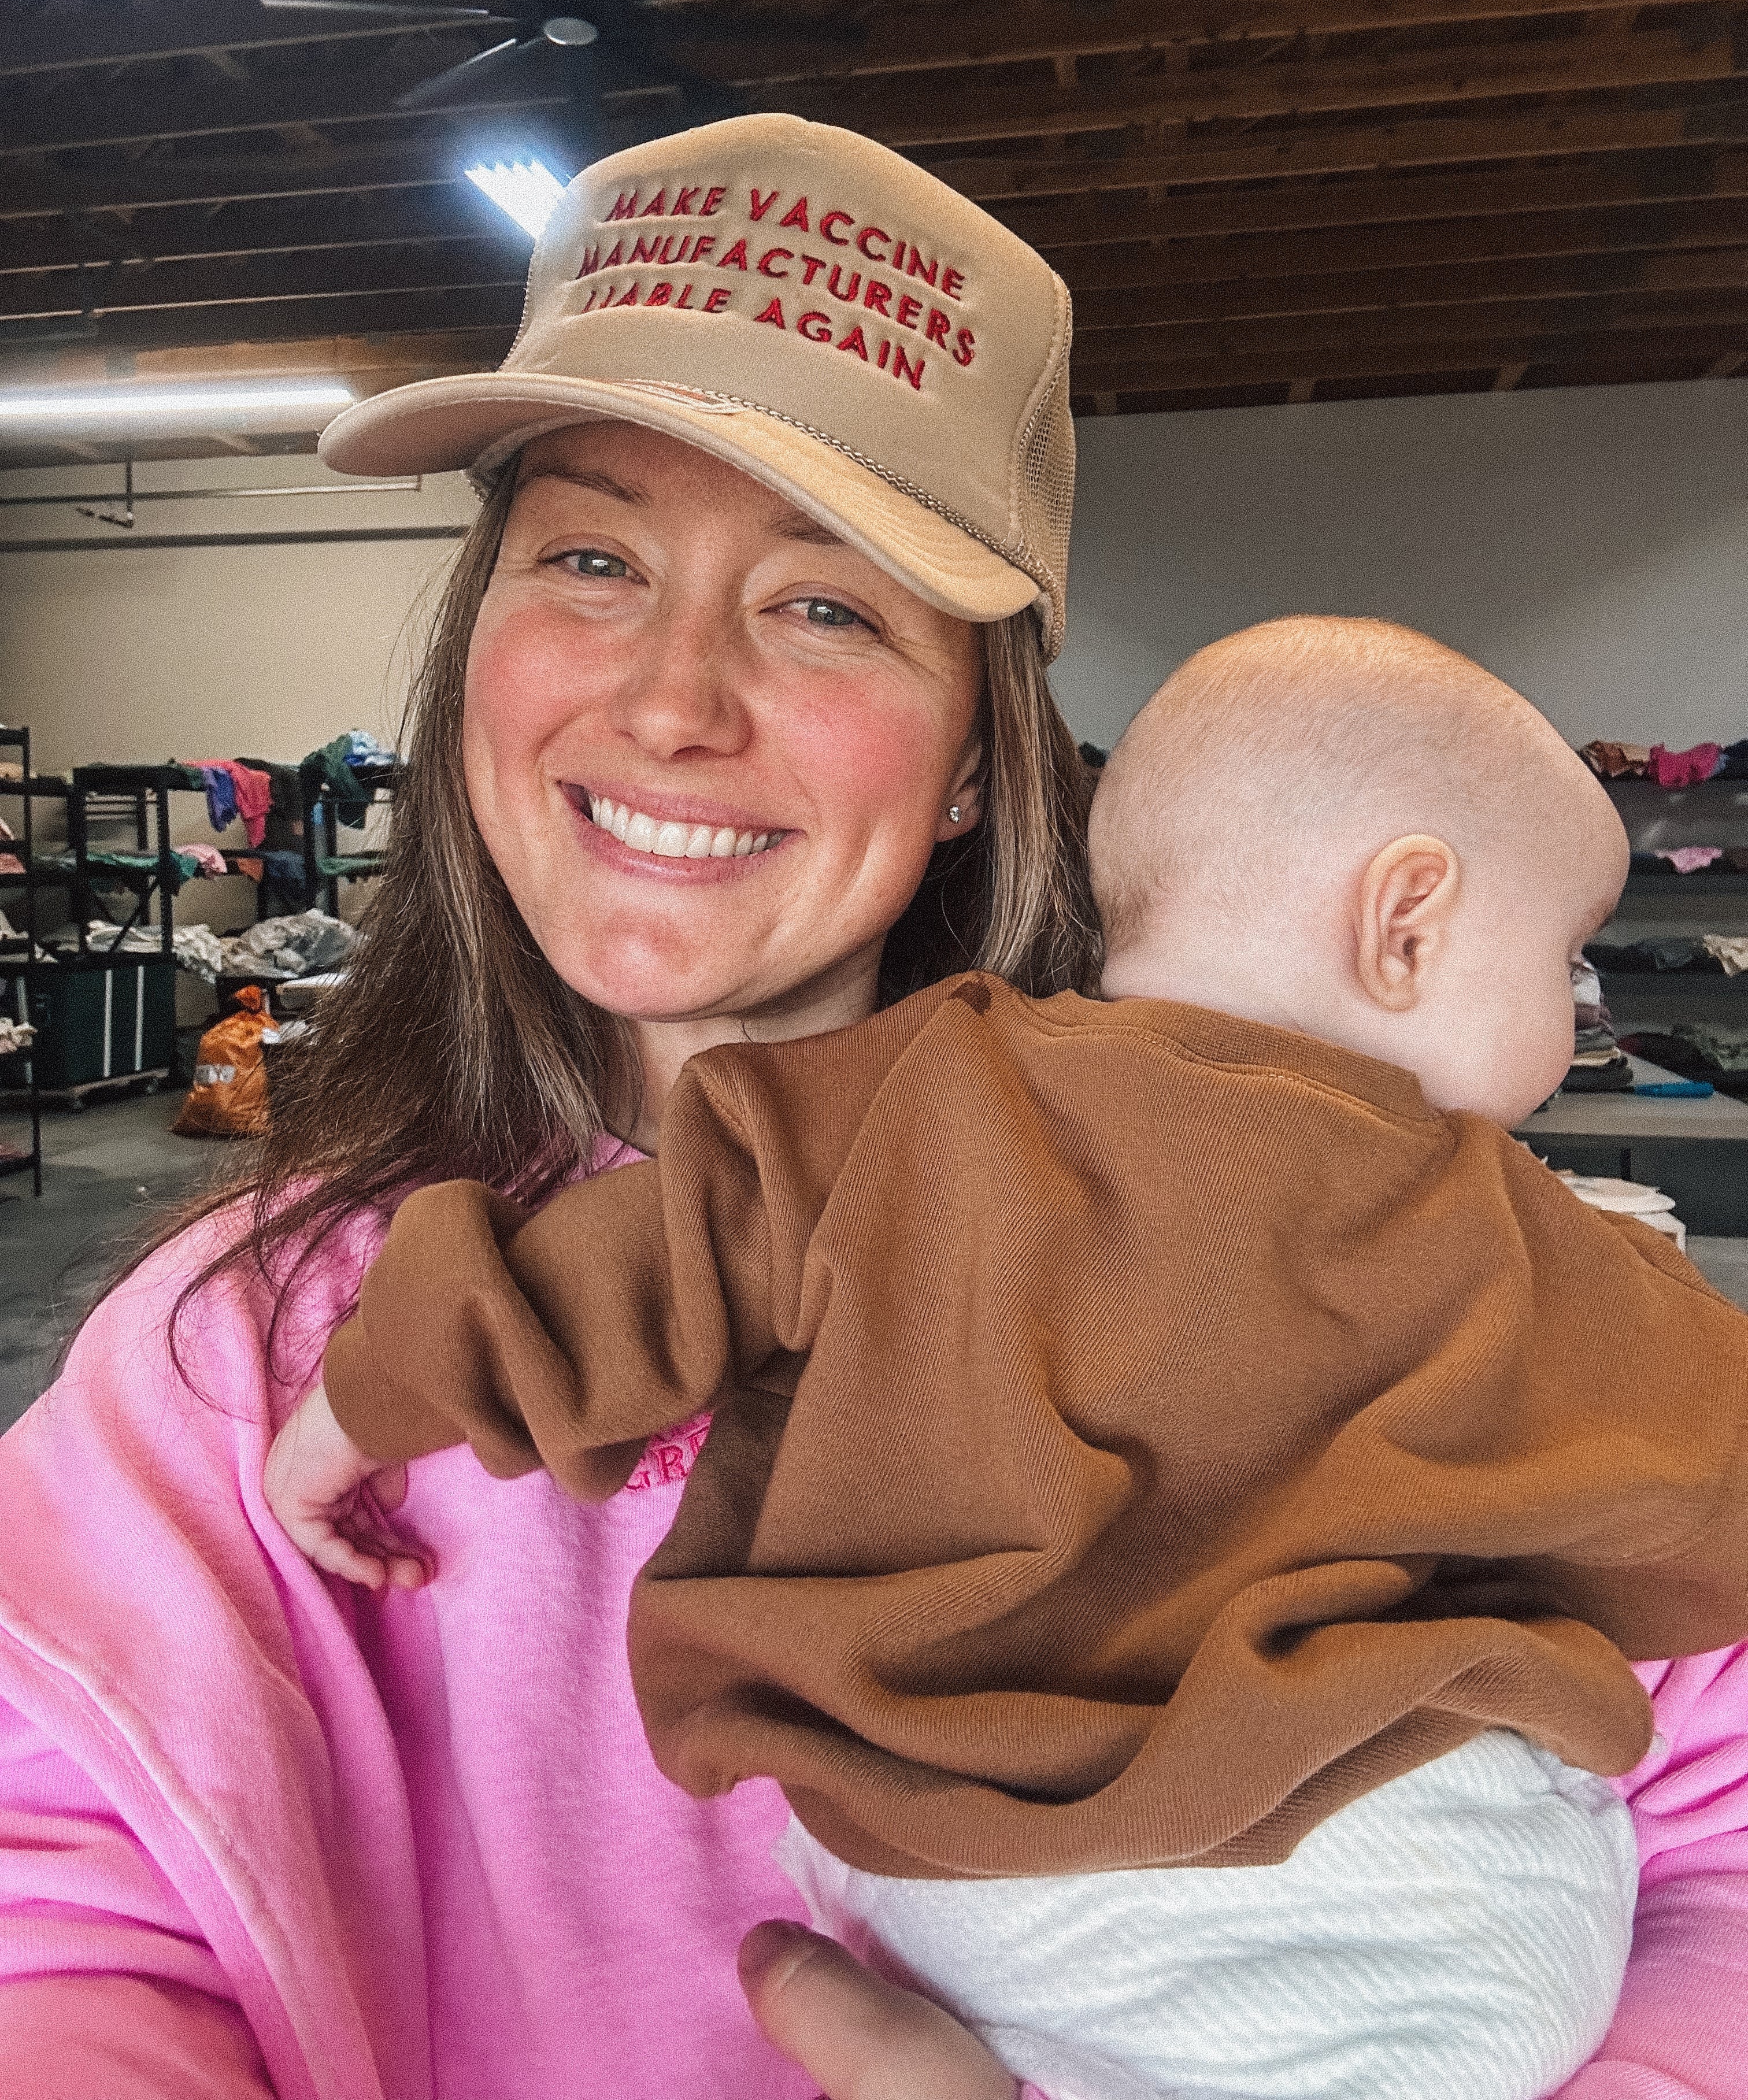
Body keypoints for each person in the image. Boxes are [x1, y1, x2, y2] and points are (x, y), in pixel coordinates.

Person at [0, 112, 1739, 2100]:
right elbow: (62, 1901)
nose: (669, 701)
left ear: (984, 760)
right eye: (588, 556)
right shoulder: (243, 1346)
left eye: (823, 605)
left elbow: (1723, 1837)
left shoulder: (1317, 1260)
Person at [265, 616, 1748, 2100]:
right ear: (1405, 920)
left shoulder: (914, 1097)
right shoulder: (1495, 1226)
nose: (1568, 1021)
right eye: (1561, 961)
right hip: (1381, 1880)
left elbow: (606, 1276)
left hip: (938, 1872)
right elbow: (1710, 1477)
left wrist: (352, 1414)